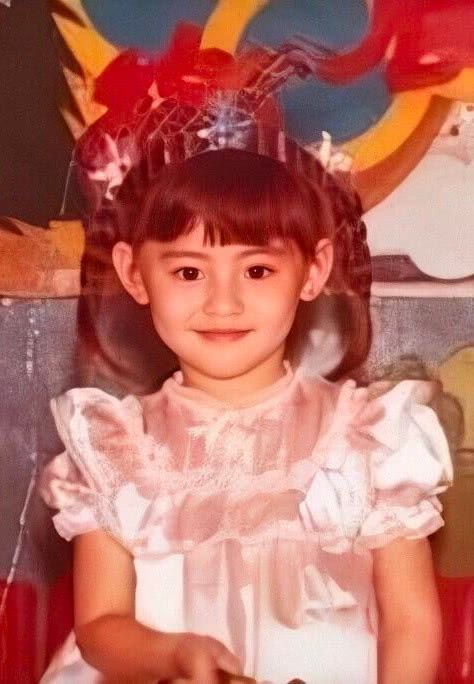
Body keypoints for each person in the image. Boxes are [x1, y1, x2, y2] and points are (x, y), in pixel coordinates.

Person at [38, 141, 452, 684]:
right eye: (189, 273)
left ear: (313, 270)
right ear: (134, 274)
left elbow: (410, 620)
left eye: (257, 270)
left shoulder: (367, 436)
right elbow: (99, 625)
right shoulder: (115, 445)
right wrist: (173, 655)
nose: (223, 303)